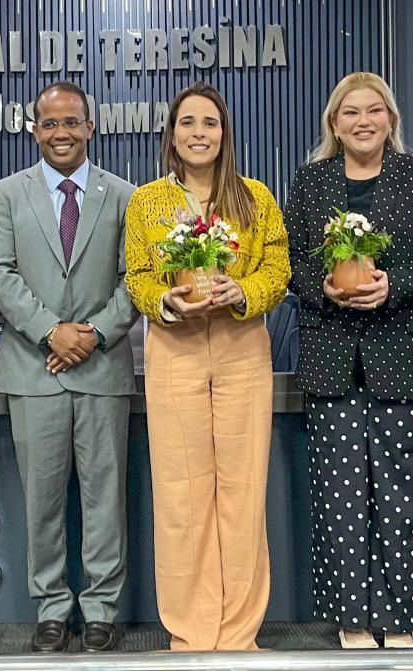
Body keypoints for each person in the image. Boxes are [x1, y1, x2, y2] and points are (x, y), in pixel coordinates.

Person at [283, 72, 413, 649]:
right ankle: (353, 620)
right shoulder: (310, 184)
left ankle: (399, 619)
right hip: (332, 357)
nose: (362, 121)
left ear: (391, 120)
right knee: (340, 497)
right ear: (334, 123)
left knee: (405, 494)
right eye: (350, 112)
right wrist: (323, 289)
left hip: (403, 353)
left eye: (374, 110)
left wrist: (395, 284)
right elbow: (290, 263)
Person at [123, 80, 291, 651]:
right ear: (172, 135)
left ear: (225, 134)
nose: (200, 134)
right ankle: (192, 633)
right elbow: (138, 277)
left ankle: (239, 634)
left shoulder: (255, 198)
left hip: (243, 349)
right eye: (188, 123)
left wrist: (241, 291)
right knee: (181, 493)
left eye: (210, 123)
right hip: (176, 352)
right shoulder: (146, 203)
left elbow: (278, 271)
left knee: (243, 490)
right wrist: (164, 302)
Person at [0, 81, 139, 652]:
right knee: (41, 500)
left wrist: (93, 334)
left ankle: (100, 609)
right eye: (49, 124)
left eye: (72, 122)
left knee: (105, 499)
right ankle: (51, 607)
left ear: (91, 127)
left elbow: (136, 279)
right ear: (34, 130)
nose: (61, 133)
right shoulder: (4, 194)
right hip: (33, 369)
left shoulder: (125, 196)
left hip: (102, 370)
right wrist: (52, 330)